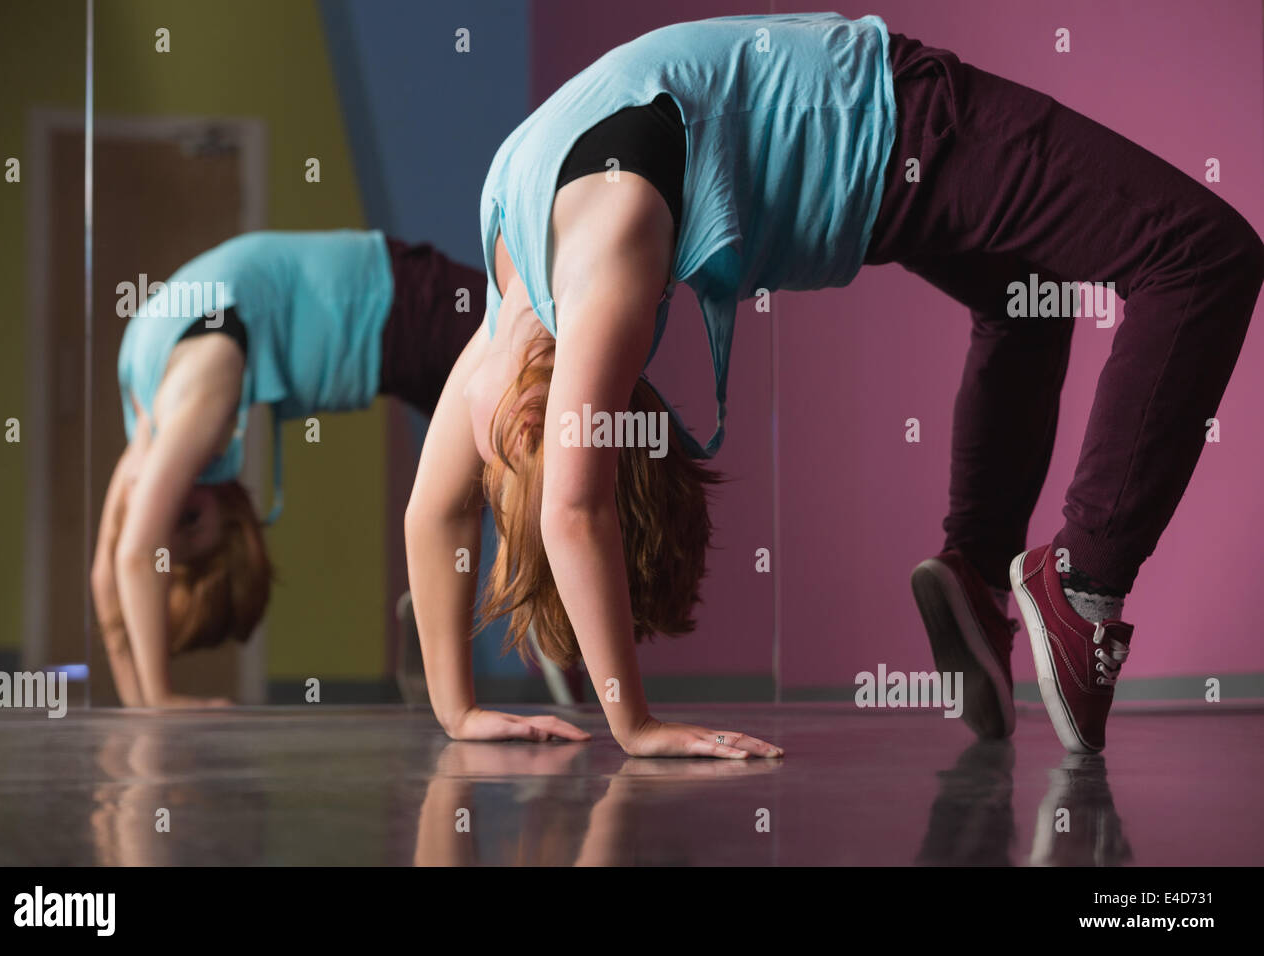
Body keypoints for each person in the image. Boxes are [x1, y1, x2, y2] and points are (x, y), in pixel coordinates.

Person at [406, 13, 1264, 758]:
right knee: (1129, 274)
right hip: (876, 138)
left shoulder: (607, 255)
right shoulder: (506, 321)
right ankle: (1044, 579)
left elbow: (570, 509)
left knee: (1164, 265)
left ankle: (1020, 575)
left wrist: (632, 724)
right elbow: (437, 512)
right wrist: (458, 710)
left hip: (885, 119)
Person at [91, 230, 484, 708]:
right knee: (516, 458)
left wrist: (157, 698)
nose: (174, 511)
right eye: (189, 524)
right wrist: (137, 705)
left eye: (181, 521)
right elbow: (106, 574)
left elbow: (133, 553)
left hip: (409, 299)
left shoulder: (200, 393)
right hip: (397, 323)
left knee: (549, 374)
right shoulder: (149, 416)